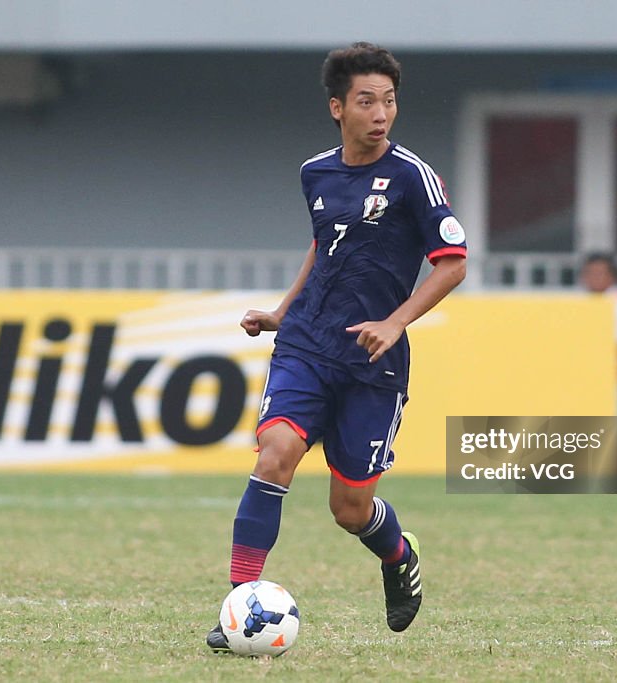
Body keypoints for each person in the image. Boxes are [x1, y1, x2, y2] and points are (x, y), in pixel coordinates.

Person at [206, 42, 467, 651]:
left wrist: (397, 322)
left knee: (350, 509)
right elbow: (324, 245)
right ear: (337, 107)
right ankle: (237, 604)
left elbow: (452, 264)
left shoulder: (414, 177)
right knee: (274, 454)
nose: (381, 113)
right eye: (367, 101)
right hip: (307, 346)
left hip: (374, 363)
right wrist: (281, 311)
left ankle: (399, 554)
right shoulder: (315, 172)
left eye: (390, 101)